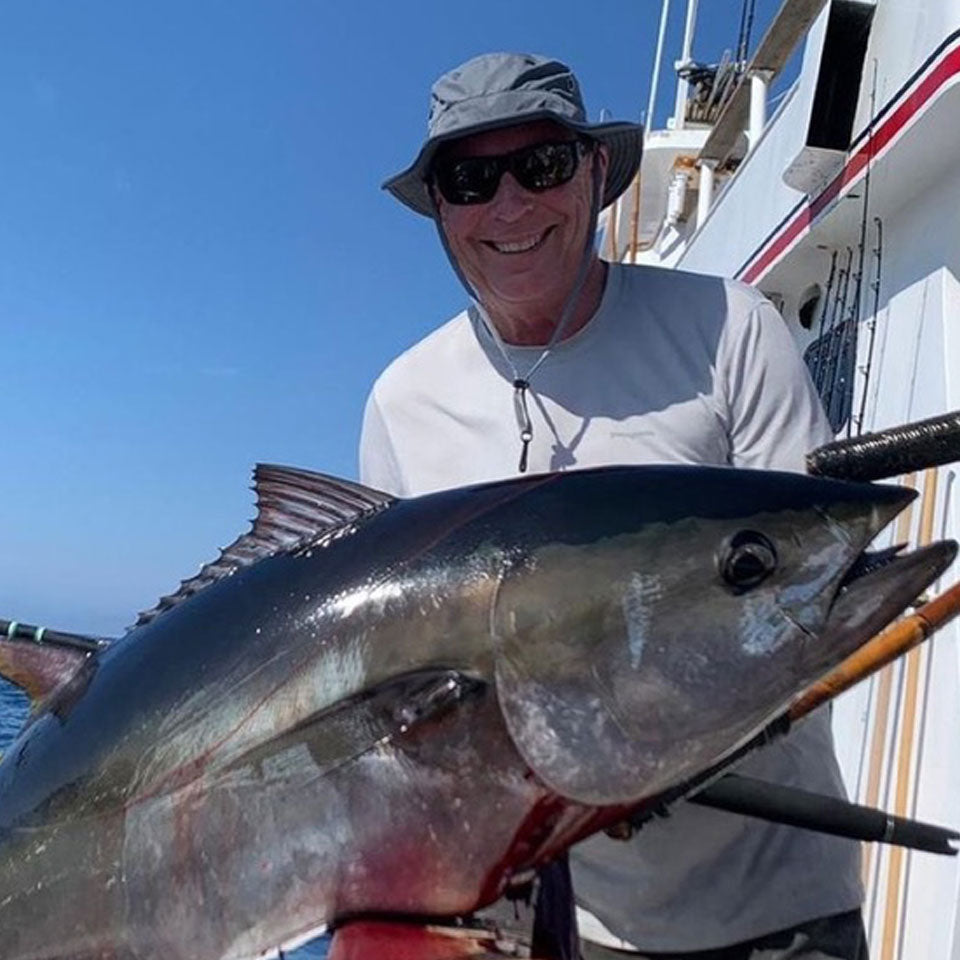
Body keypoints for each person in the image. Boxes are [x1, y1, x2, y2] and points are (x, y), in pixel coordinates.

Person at [360, 52, 866, 960]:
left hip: (776, 912)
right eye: (473, 179)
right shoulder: (403, 402)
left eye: (543, 165)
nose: (510, 205)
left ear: (597, 173)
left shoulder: (730, 331)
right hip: (558, 921)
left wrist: (672, 760)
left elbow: (799, 595)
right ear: (440, 209)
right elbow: (407, 692)